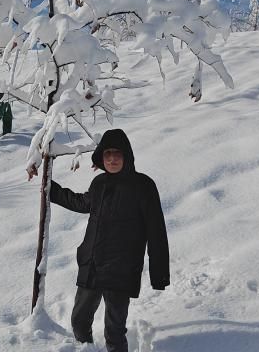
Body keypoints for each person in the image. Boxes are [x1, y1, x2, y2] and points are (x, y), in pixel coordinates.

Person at [45, 128, 169, 352]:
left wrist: (159, 274)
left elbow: (156, 230)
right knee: (79, 322)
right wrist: (51, 189)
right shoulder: (99, 183)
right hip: (92, 264)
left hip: (121, 269)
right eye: (107, 154)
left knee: (114, 331)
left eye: (117, 154)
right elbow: (82, 203)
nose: (112, 159)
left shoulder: (143, 186)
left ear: (127, 156)